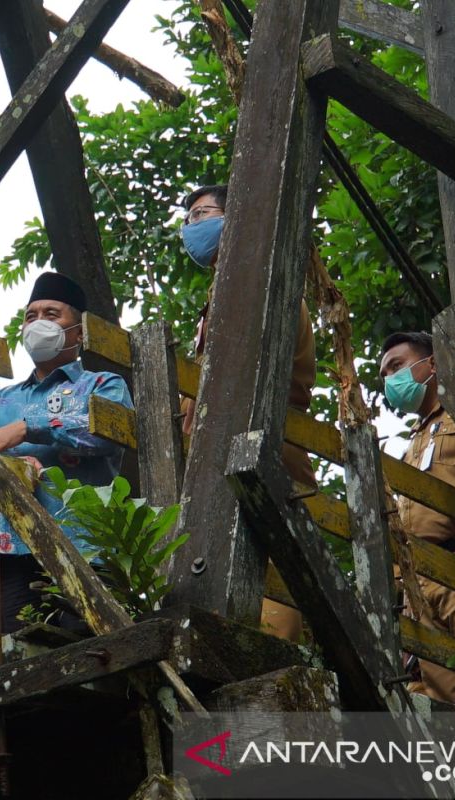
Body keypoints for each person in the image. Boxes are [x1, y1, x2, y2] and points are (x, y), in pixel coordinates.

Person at [179, 183, 318, 640]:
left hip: (264, 447)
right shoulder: (219, 297)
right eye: (189, 219)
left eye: (202, 214)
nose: (192, 226)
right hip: (219, 459)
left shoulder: (264, 281)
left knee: (273, 581)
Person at [0, 271, 133, 634]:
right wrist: (12, 465)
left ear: (78, 331)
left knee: (89, 651)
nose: (38, 323)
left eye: (52, 314)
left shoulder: (102, 385)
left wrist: (27, 427)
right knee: (19, 654)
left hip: (84, 545)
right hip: (11, 552)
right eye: (31, 316)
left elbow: (103, 432)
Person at [379, 331, 455, 705]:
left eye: (397, 365)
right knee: (451, 715)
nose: (390, 379)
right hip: (420, 590)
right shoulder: (411, 447)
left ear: (432, 364)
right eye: (383, 374)